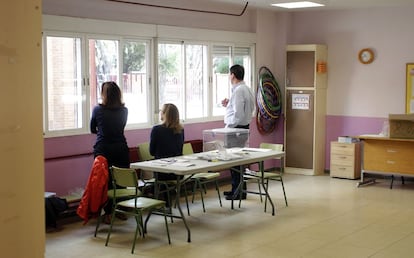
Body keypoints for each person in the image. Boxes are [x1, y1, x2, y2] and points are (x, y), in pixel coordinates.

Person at [90, 81, 129, 222]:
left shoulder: (98, 110)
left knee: (104, 181)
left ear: (103, 94)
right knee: (121, 180)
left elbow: (92, 129)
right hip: (121, 148)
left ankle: (107, 213)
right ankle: (120, 209)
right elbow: (121, 128)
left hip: (103, 149)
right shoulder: (124, 111)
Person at [221, 64, 255, 200]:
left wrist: (228, 126)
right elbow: (243, 108)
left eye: (229, 74)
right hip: (243, 127)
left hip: (235, 129)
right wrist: (229, 103)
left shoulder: (239, 91)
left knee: (235, 161)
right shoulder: (246, 89)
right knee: (238, 161)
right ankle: (237, 189)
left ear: (233, 75)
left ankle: (238, 191)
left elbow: (238, 114)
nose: (229, 77)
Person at [150, 103, 185, 181]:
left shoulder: (156, 130)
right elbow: (180, 150)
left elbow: (152, 152)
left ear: (163, 114)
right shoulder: (180, 130)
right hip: (178, 170)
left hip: (162, 171)